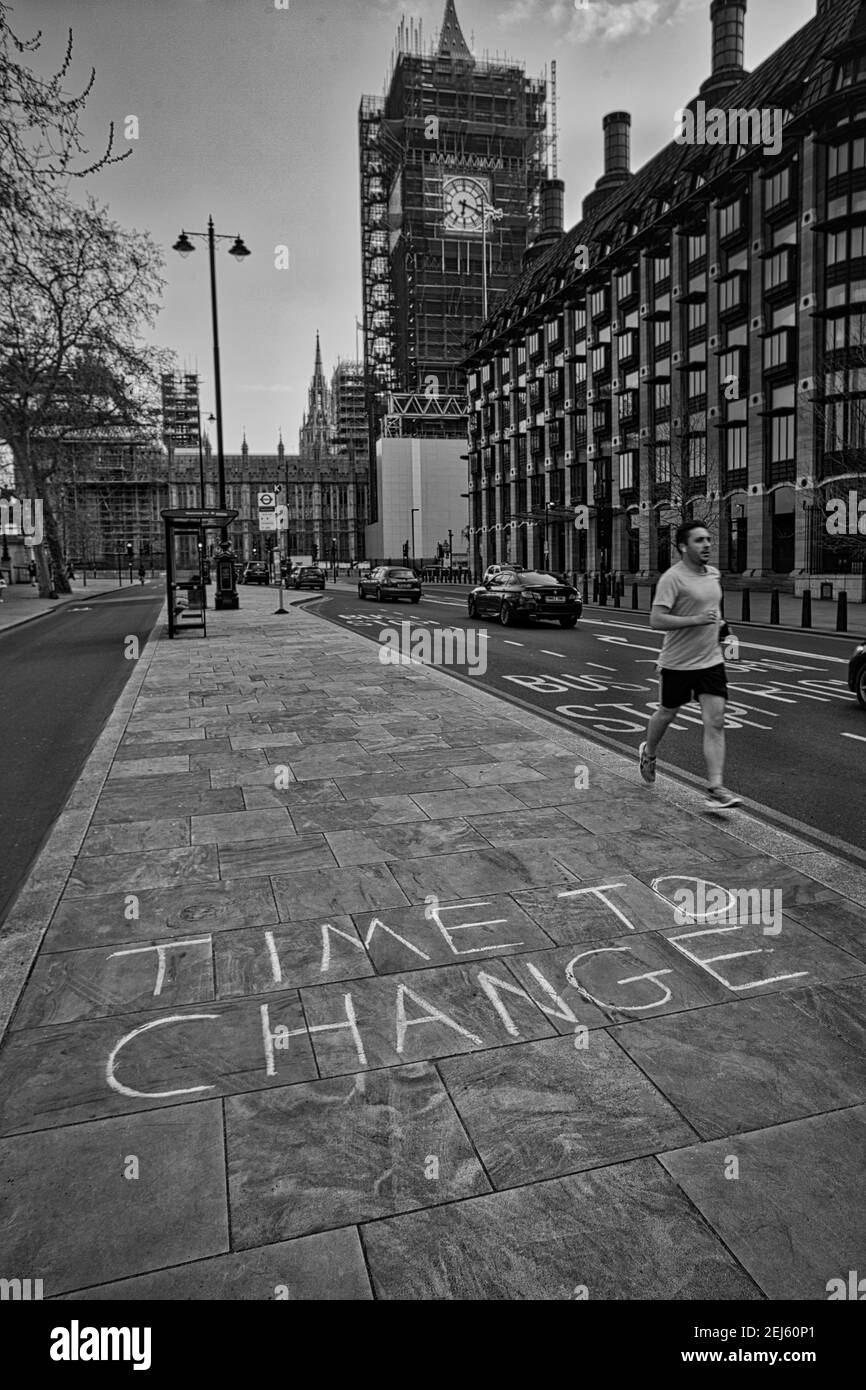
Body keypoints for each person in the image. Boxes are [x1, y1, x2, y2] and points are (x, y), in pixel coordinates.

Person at [639, 521, 741, 809]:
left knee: (716, 721)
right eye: (699, 540)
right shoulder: (673, 579)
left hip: (710, 661)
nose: (707, 544)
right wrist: (695, 621)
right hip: (677, 663)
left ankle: (716, 787)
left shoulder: (713, 574)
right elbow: (656, 620)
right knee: (667, 713)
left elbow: (713, 609)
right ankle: (650, 750)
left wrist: (723, 629)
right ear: (683, 546)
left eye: (709, 539)